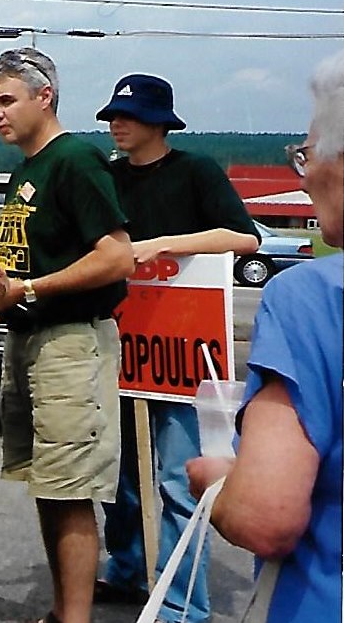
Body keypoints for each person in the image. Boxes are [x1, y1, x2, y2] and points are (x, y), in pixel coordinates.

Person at [93, 74, 260, 621]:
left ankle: (183, 605)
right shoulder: (106, 177)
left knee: (176, 476)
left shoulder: (195, 172)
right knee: (119, 475)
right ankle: (127, 571)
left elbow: (244, 237)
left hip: (184, 351)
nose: (118, 124)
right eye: (114, 115)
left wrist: (166, 243)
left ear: (160, 122)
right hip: (120, 340)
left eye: (131, 115)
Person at [187, 49, 343, 622]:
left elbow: (266, 516)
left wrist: (218, 483)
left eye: (306, 156)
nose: (305, 180)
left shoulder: (311, 298)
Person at [0, 47, 134, 623]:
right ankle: (60, 608)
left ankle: (75, 616)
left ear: (44, 97)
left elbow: (117, 257)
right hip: (26, 340)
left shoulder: (76, 160)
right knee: (47, 484)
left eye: (7, 100)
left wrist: (31, 289)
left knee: (70, 489)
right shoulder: (27, 167)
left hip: (71, 342)